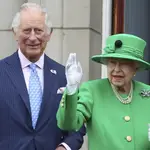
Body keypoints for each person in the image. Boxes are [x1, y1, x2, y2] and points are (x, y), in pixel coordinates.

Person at [0, 2, 86, 150]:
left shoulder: (64, 76)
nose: (33, 37)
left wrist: (65, 147)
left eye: (38, 30)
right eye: (27, 30)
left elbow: (76, 127)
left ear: (49, 34)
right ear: (15, 33)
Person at [57, 33, 150, 150]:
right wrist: (71, 88)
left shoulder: (147, 93)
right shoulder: (92, 90)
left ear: (135, 68)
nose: (116, 70)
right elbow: (68, 124)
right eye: (112, 62)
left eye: (123, 64)